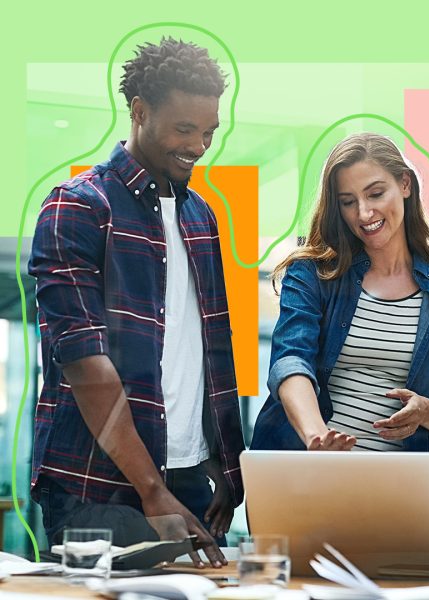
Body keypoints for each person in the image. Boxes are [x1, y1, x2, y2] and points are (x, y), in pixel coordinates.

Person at [28, 37, 245, 567]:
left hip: (190, 481)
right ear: (140, 112)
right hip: (97, 483)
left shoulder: (202, 218)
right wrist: (151, 490)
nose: (199, 146)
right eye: (185, 130)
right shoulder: (79, 207)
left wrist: (224, 464)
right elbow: (84, 363)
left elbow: (211, 351)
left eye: (210, 132)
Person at [251, 133, 429, 452]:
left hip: (392, 487)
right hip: (306, 474)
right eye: (348, 201)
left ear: (405, 184)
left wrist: (427, 411)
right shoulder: (314, 274)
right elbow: (290, 361)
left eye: (375, 194)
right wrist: (317, 436)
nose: (363, 213)